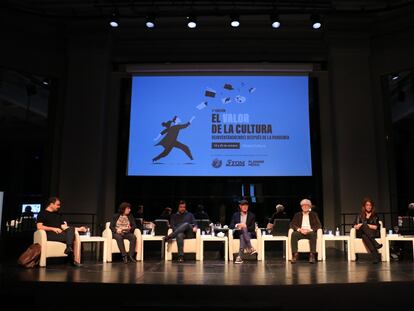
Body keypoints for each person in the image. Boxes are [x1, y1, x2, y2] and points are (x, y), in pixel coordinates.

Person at [36, 197, 86, 267]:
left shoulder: (57, 215)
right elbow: (39, 227)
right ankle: (72, 258)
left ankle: (68, 248)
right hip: (49, 235)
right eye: (57, 205)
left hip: (60, 234)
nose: (59, 207)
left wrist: (79, 229)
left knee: (71, 229)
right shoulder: (42, 213)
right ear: (51, 204)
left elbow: (64, 227)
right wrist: (53, 229)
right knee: (72, 238)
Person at [289, 198, 322, 264]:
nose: (305, 207)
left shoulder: (314, 214)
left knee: (313, 234)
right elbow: (292, 224)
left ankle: (312, 255)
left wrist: (309, 230)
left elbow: (319, 225)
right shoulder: (297, 215)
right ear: (301, 207)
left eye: (307, 205)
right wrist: (299, 229)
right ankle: (295, 255)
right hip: (300, 232)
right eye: (303, 205)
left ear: (309, 207)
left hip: (310, 232)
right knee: (294, 234)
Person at [353, 197, 382, 264]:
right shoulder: (360, 215)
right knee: (363, 226)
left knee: (365, 235)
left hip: (369, 233)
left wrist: (367, 225)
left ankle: (375, 257)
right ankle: (374, 242)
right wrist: (360, 225)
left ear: (372, 206)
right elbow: (354, 225)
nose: (369, 207)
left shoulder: (375, 215)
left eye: (370, 205)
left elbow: (376, 227)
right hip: (360, 232)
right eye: (367, 205)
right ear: (364, 206)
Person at [229, 199, 257, 264]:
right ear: (240, 206)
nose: (245, 207)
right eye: (243, 205)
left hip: (249, 233)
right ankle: (250, 247)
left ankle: (239, 257)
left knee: (243, 232)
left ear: (248, 206)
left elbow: (252, 228)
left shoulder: (252, 215)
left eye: (246, 205)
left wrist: (244, 226)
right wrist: (238, 225)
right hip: (238, 233)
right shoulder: (235, 215)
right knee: (242, 232)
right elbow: (231, 225)